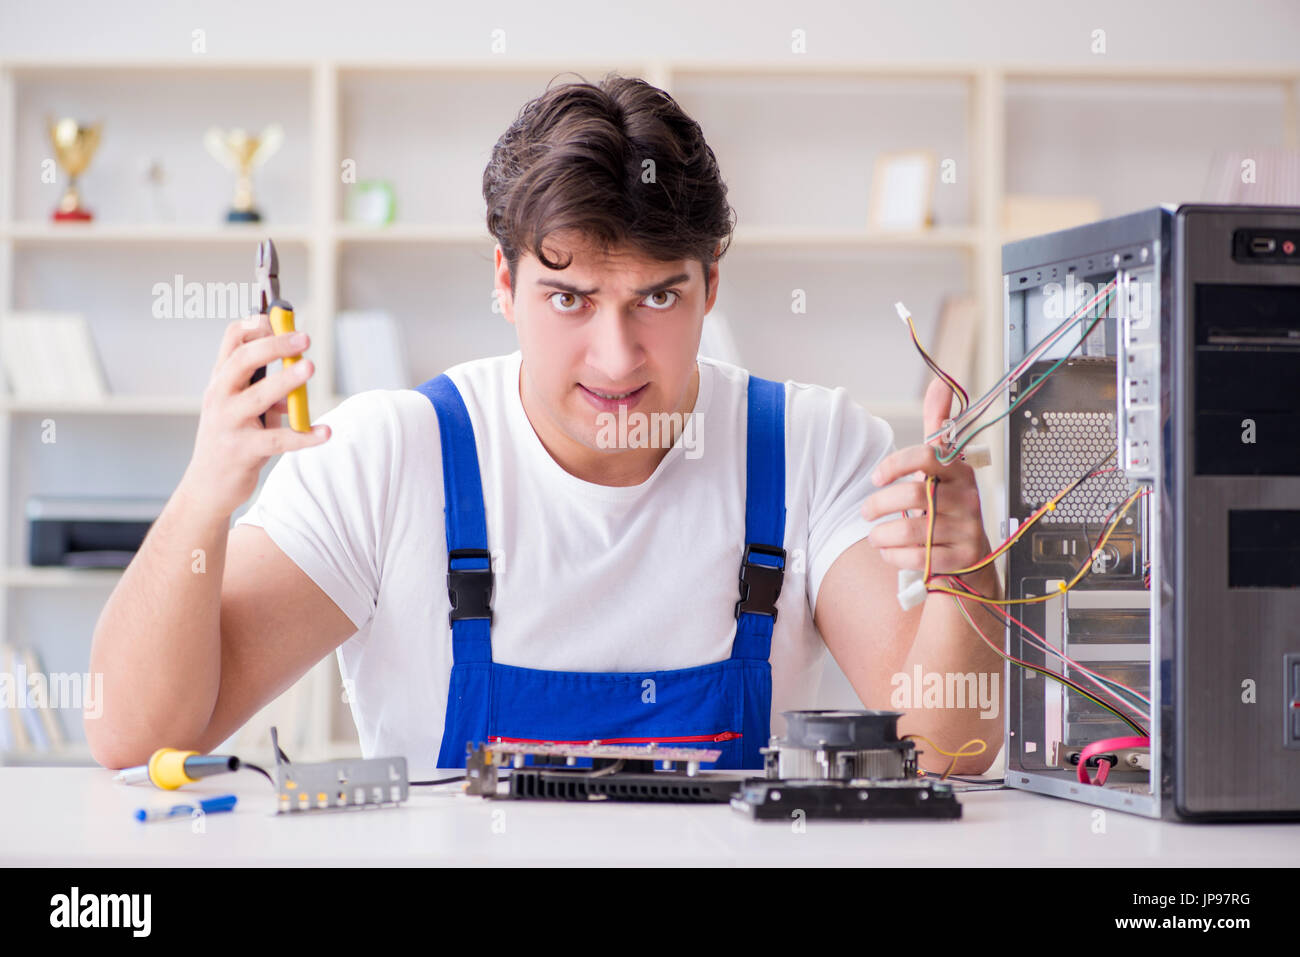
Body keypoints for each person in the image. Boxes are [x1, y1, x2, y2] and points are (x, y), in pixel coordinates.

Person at [86, 74, 1004, 774]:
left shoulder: (810, 449)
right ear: (503, 281)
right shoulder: (387, 457)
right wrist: (206, 493)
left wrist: (966, 572)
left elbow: (947, 751)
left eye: (657, 297)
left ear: (711, 283)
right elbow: (134, 736)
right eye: (569, 296)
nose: (615, 356)